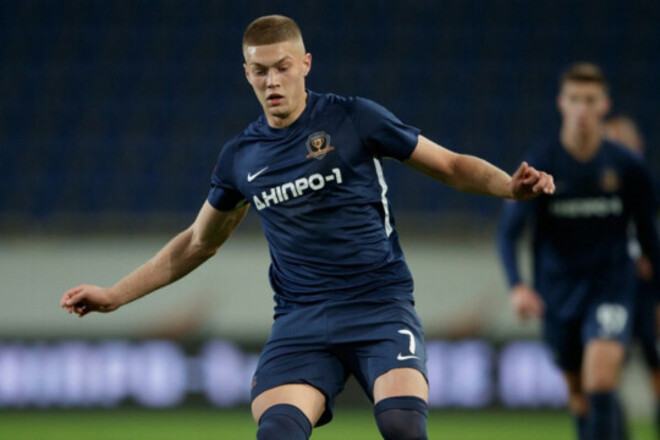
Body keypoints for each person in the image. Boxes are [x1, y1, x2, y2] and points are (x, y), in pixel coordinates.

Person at [61, 15, 554, 440]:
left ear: (305, 64)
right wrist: (115, 295)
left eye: (282, 67)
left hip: (380, 307)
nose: (272, 81)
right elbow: (196, 243)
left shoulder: (353, 118)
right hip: (302, 321)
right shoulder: (241, 158)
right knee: (277, 432)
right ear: (247, 74)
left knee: (403, 427)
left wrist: (510, 188)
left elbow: (449, 165)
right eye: (260, 71)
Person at [497, 63, 660, 440]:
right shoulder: (542, 164)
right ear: (562, 103)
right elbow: (508, 233)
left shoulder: (627, 167)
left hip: (611, 286)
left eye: (590, 100)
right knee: (580, 396)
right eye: (575, 99)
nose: (582, 109)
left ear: (604, 104)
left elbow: (649, 237)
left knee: (600, 381)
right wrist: (517, 286)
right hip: (558, 292)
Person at [605, 114, 660, 439]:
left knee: (655, 365)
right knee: (607, 372)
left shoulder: (646, 190)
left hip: (647, 294)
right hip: (611, 291)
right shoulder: (597, 187)